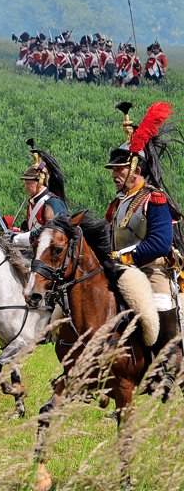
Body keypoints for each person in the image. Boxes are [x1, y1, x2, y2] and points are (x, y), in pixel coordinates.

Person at [105, 101, 181, 382]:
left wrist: (122, 257)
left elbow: (160, 244)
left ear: (136, 168)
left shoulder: (154, 199)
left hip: (151, 269)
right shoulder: (118, 203)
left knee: (158, 305)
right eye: (113, 169)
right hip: (120, 270)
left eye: (119, 169)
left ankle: (168, 365)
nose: (114, 175)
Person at [10, 139, 68, 246]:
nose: (26, 187)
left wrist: (21, 238)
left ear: (41, 181)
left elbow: (52, 230)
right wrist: (18, 232)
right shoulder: (33, 203)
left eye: (29, 183)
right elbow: (33, 228)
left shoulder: (53, 202)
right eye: (25, 183)